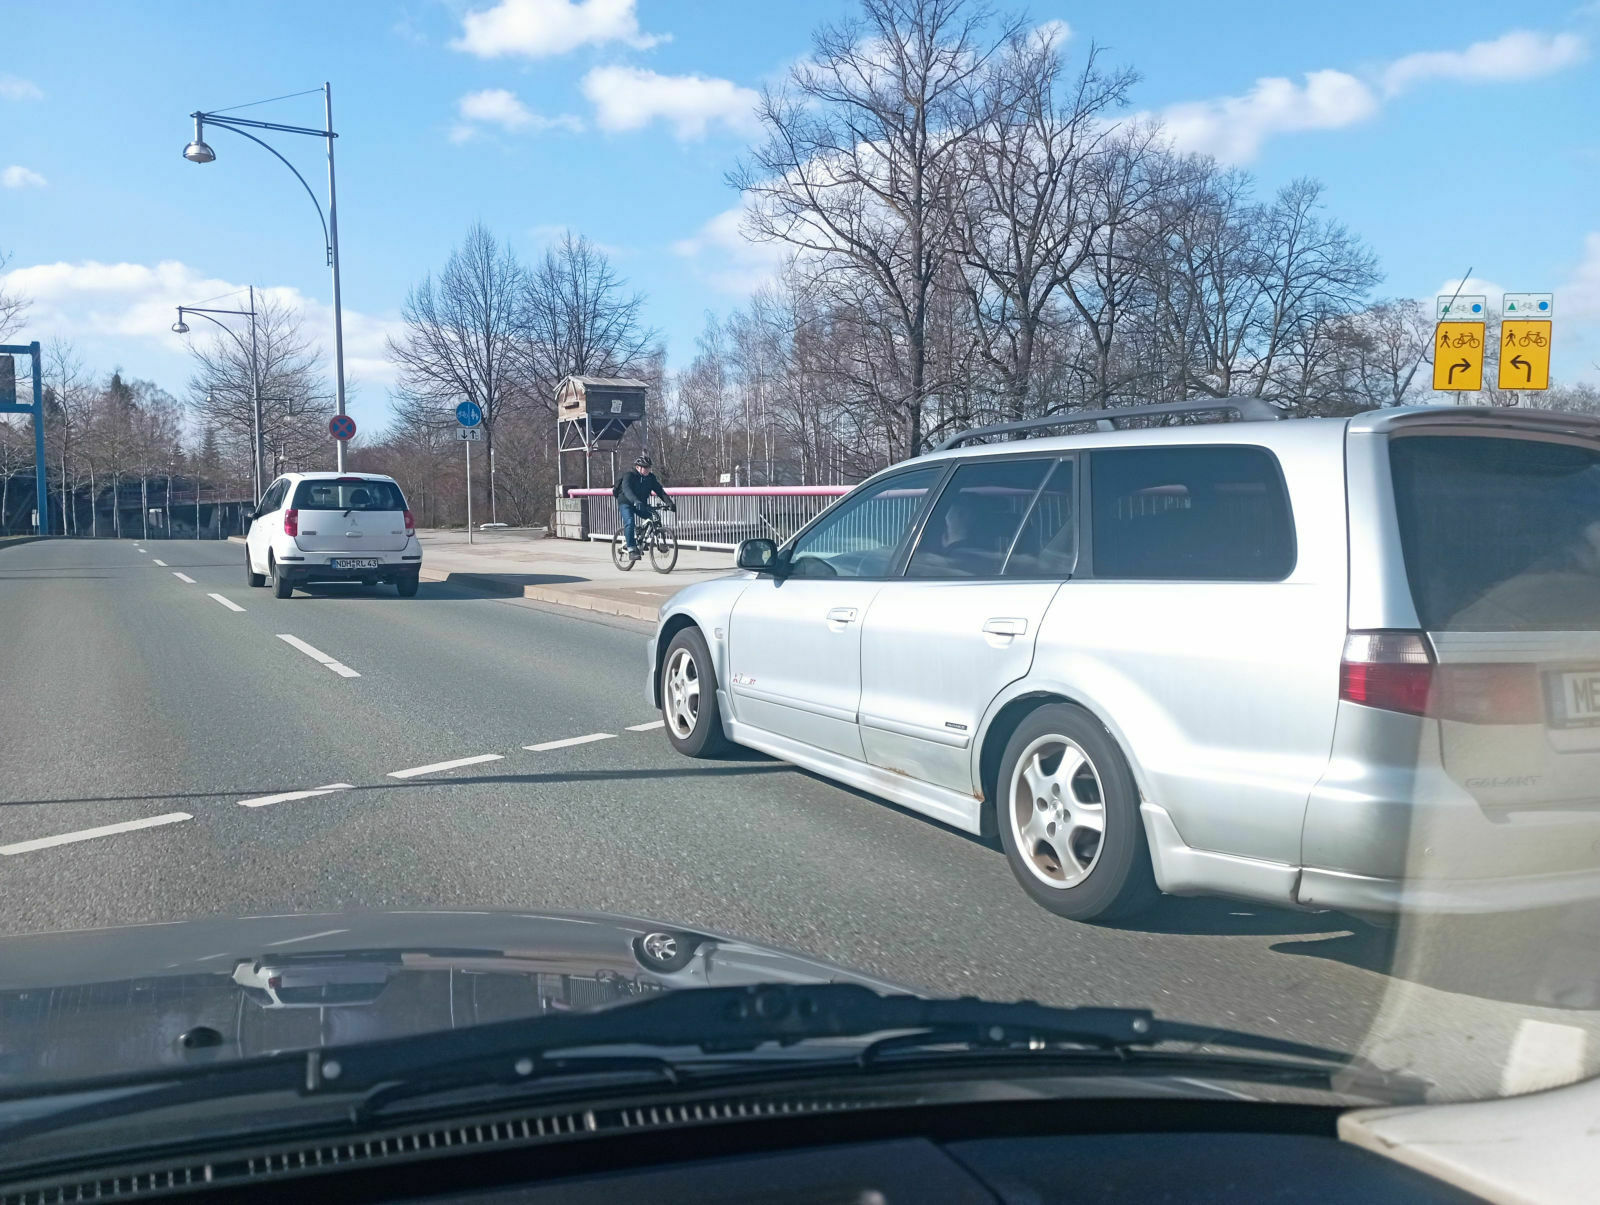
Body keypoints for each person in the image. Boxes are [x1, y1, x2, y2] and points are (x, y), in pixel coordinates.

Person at [614, 454, 674, 560]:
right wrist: (635, 501)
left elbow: (659, 490)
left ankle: (641, 537)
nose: (648, 470)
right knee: (629, 521)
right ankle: (631, 548)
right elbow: (627, 490)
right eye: (645, 467)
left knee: (654, 517)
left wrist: (669, 503)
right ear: (638, 467)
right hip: (626, 502)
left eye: (649, 467)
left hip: (640, 503)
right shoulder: (629, 475)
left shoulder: (650, 478)